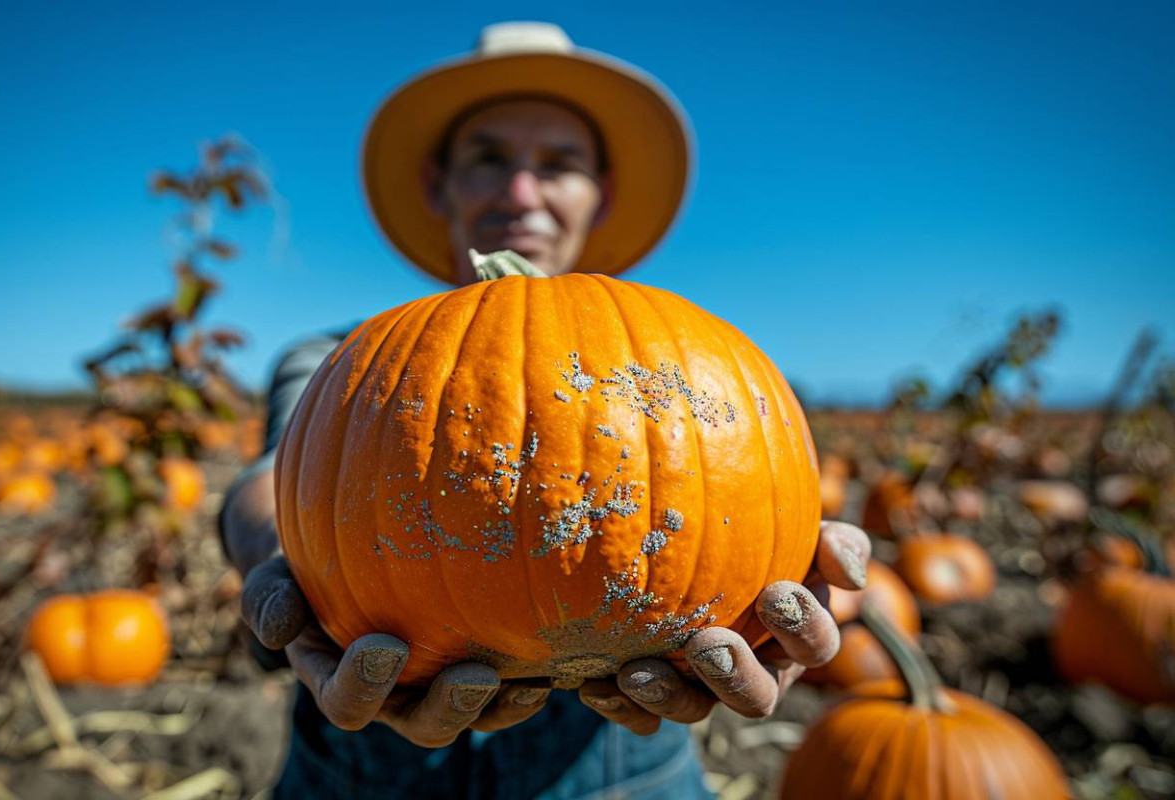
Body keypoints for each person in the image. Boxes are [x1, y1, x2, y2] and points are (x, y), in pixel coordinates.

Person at [220, 21, 872, 799]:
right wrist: (274, 550)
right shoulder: (346, 361)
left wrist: (808, 569)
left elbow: (763, 509)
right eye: (489, 159)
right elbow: (270, 485)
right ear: (440, 185)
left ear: (601, 195)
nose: (520, 192)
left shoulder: (700, 361)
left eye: (558, 165)